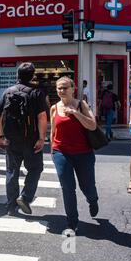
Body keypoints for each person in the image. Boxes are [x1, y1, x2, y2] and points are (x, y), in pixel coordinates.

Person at [0, 62, 48, 216]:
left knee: (12, 171)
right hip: (31, 139)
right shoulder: (37, 92)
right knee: (35, 168)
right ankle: (25, 197)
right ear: (32, 76)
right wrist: (41, 138)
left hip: (11, 139)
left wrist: (0, 136)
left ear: (17, 75)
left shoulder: (8, 92)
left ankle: (11, 206)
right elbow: (42, 117)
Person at [50, 77, 99, 234]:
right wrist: (52, 149)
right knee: (68, 187)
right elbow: (52, 131)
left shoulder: (81, 104)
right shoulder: (54, 108)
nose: (62, 91)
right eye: (59, 88)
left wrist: (75, 113)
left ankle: (93, 200)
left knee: (87, 186)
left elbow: (92, 125)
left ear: (73, 89)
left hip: (83, 153)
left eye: (65, 87)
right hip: (61, 152)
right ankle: (72, 221)